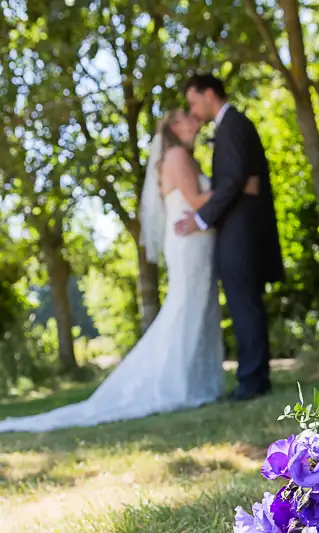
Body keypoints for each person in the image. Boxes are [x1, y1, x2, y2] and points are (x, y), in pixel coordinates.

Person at [0, 110, 225, 433]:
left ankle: (196, 382)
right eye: (186, 118)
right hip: (190, 243)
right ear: (174, 127)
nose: (195, 120)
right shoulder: (176, 155)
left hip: (193, 242)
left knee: (193, 310)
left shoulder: (176, 156)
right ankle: (179, 385)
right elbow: (197, 199)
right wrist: (237, 184)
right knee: (185, 311)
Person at [176, 74, 284, 402]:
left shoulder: (233, 124)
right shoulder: (228, 126)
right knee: (243, 302)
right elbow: (239, 180)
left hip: (241, 229)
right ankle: (253, 376)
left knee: (243, 301)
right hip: (238, 225)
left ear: (209, 94)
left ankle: (252, 380)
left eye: (194, 102)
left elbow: (235, 178)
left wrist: (200, 219)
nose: (193, 111)